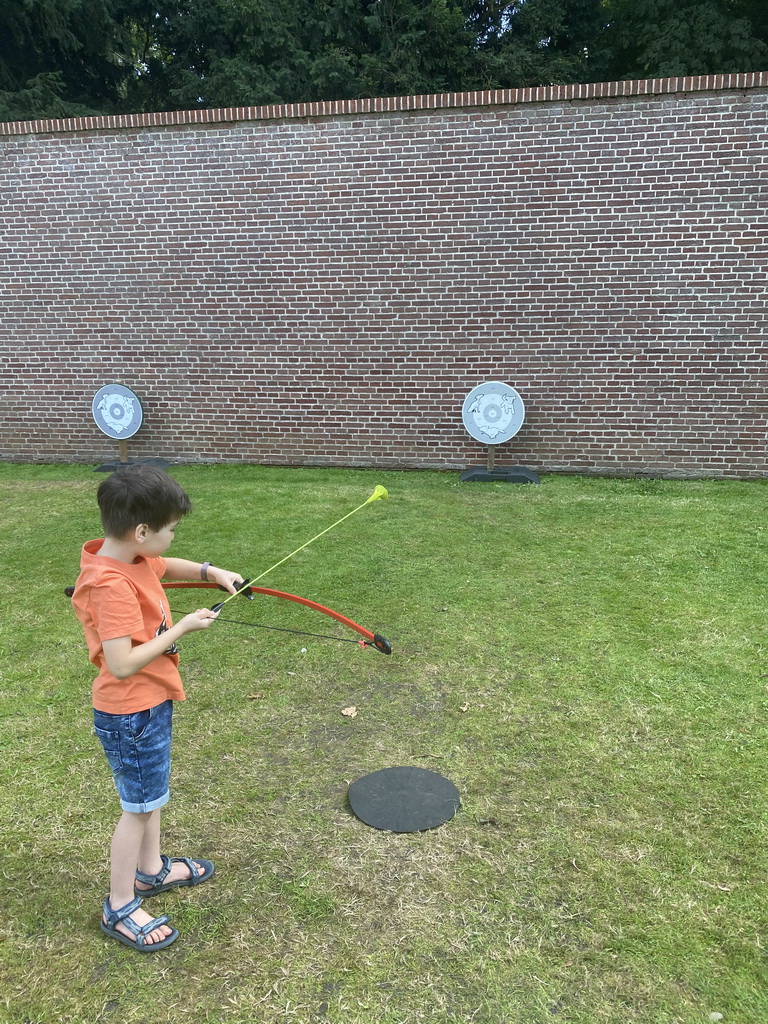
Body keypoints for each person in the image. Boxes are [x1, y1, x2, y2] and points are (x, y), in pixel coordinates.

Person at [71, 465, 244, 951]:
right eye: (170, 530)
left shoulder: (131, 557)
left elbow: (168, 566)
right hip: (131, 712)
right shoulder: (111, 585)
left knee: (151, 798)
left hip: (149, 703)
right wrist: (182, 628)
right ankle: (121, 905)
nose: (172, 538)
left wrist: (212, 573)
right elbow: (122, 663)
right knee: (138, 809)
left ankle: (151, 871)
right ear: (142, 531)